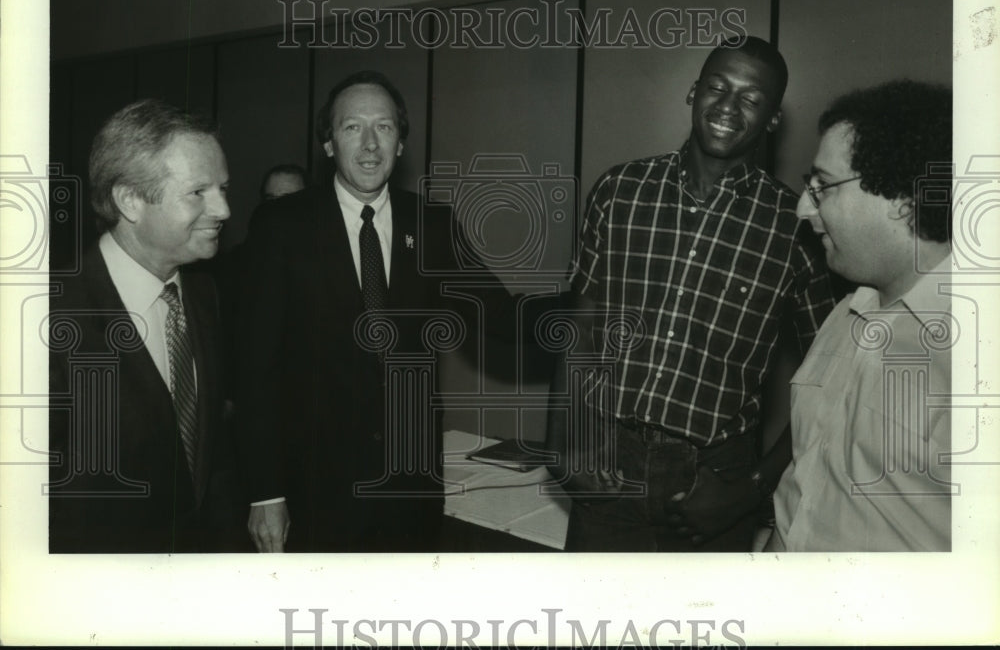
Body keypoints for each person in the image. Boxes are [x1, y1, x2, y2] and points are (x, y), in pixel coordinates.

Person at [547, 36, 837, 551]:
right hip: (608, 463)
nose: (727, 106)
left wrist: (751, 487)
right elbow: (581, 327)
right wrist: (563, 440)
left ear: (772, 118)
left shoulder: (795, 227)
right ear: (693, 91)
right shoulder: (620, 190)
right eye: (717, 88)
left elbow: (830, 379)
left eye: (751, 98)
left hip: (714, 481)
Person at [234, 70, 508, 552]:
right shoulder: (281, 226)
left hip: (410, 493)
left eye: (383, 127)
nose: (369, 144)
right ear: (328, 144)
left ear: (400, 143)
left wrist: (589, 302)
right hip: (315, 494)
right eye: (352, 127)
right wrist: (266, 492)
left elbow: (503, 316)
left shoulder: (432, 224)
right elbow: (257, 369)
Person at [768, 80, 953, 551]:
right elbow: (803, 483)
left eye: (823, 187)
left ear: (902, 199)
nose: (802, 208)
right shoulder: (844, 316)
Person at [48, 99, 231, 552]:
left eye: (224, 188)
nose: (223, 209)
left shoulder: (204, 294)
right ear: (130, 200)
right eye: (198, 192)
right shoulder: (47, 316)